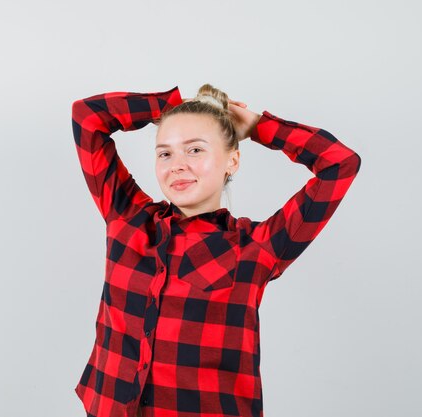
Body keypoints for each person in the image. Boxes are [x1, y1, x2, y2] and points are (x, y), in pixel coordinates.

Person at [70, 84, 361, 417]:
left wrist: (259, 127)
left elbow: (340, 163)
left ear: (232, 160)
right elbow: (87, 116)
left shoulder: (258, 246)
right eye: (165, 153)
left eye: (195, 150)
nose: (176, 165)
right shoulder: (127, 217)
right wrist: (174, 106)